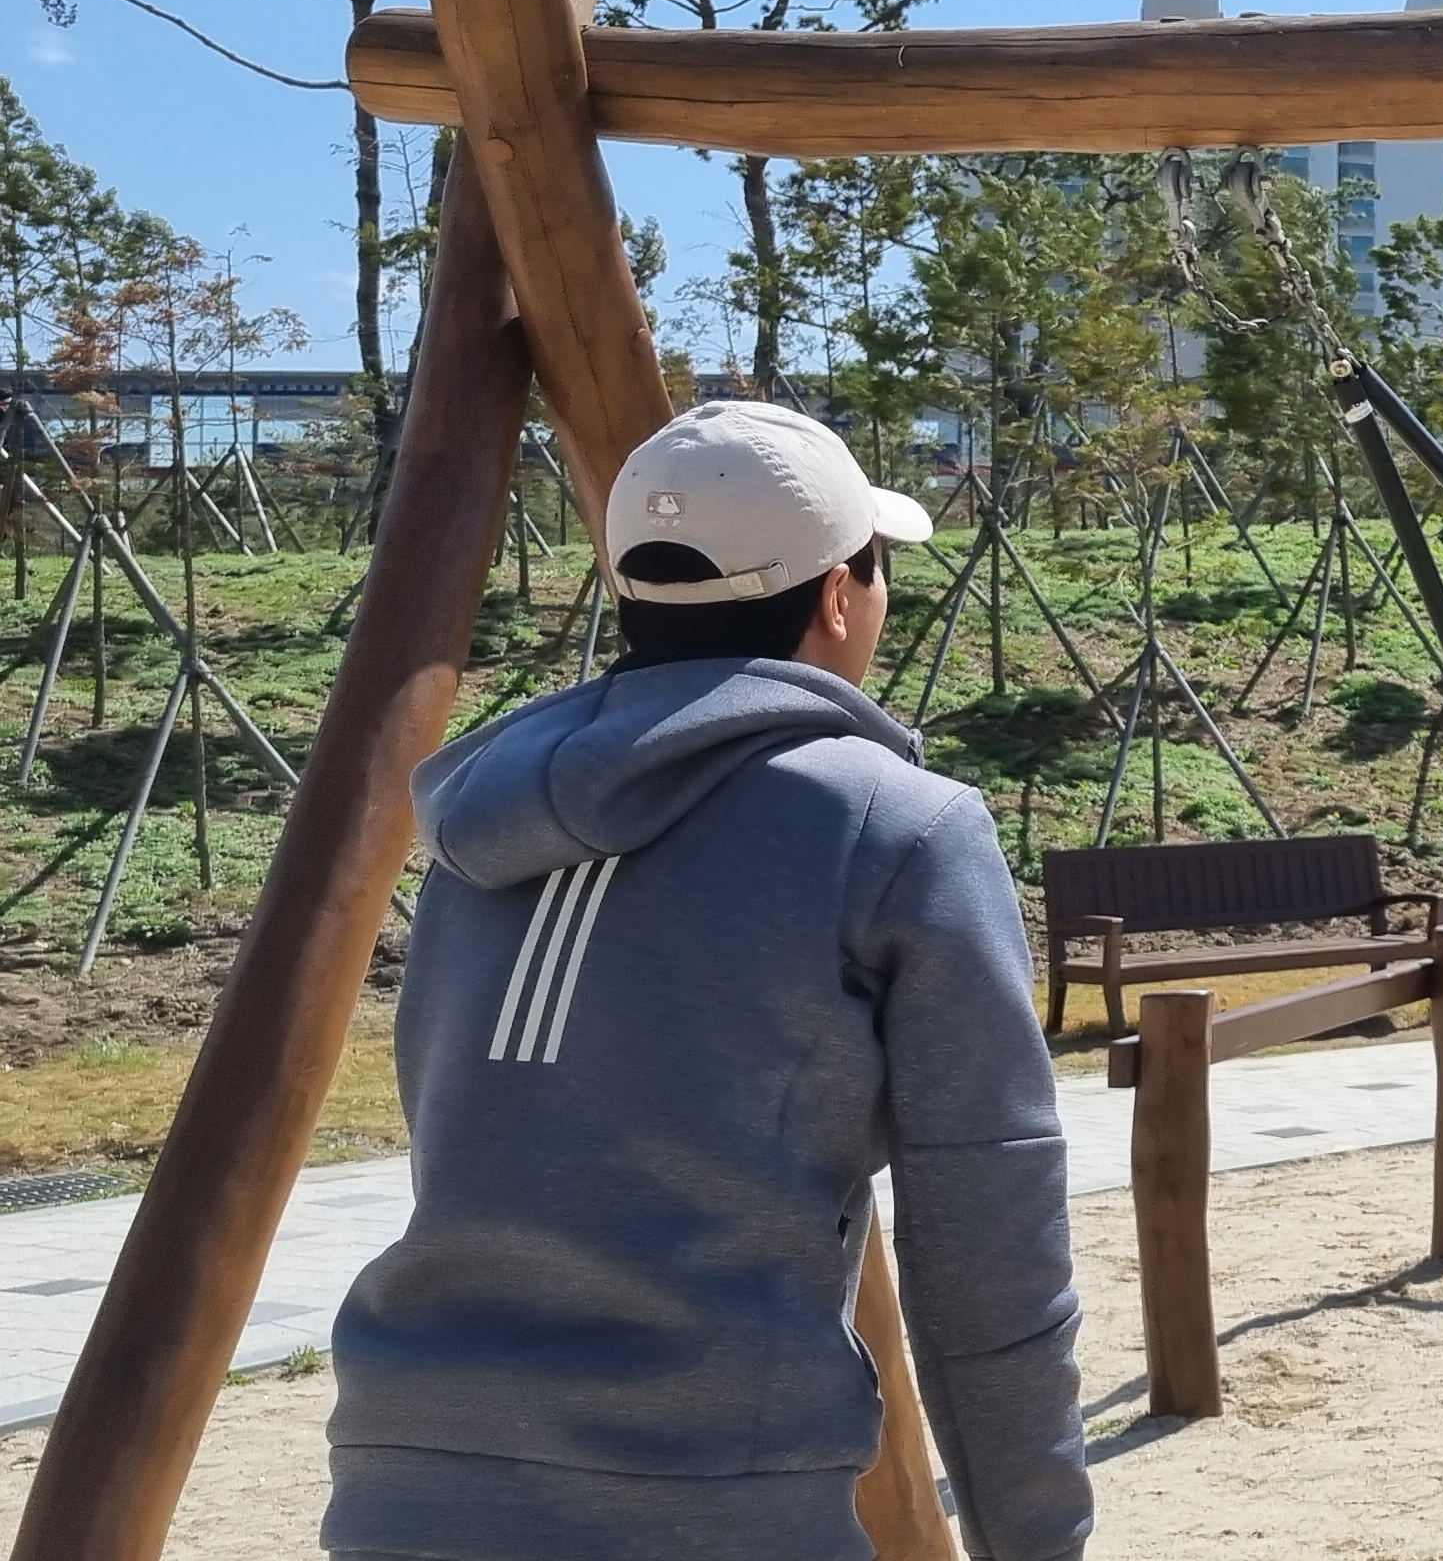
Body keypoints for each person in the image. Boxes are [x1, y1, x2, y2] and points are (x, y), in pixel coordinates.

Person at [325, 402, 1091, 1561]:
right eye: (878, 567)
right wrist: (1038, 1540)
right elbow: (990, 1242)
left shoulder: (478, 824)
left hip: (403, 1478)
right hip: (708, 1495)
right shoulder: (893, 826)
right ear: (840, 593)